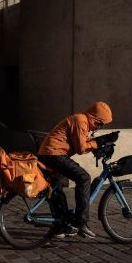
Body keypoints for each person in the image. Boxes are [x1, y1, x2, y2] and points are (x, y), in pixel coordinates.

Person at [38, 101, 117, 239]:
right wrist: (99, 142)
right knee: (84, 178)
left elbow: (84, 143)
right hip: (54, 154)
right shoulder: (81, 120)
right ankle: (81, 222)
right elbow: (81, 148)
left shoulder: (83, 122)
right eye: (99, 124)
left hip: (49, 154)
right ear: (94, 118)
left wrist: (99, 144)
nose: (99, 127)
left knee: (57, 188)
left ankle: (60, 226)